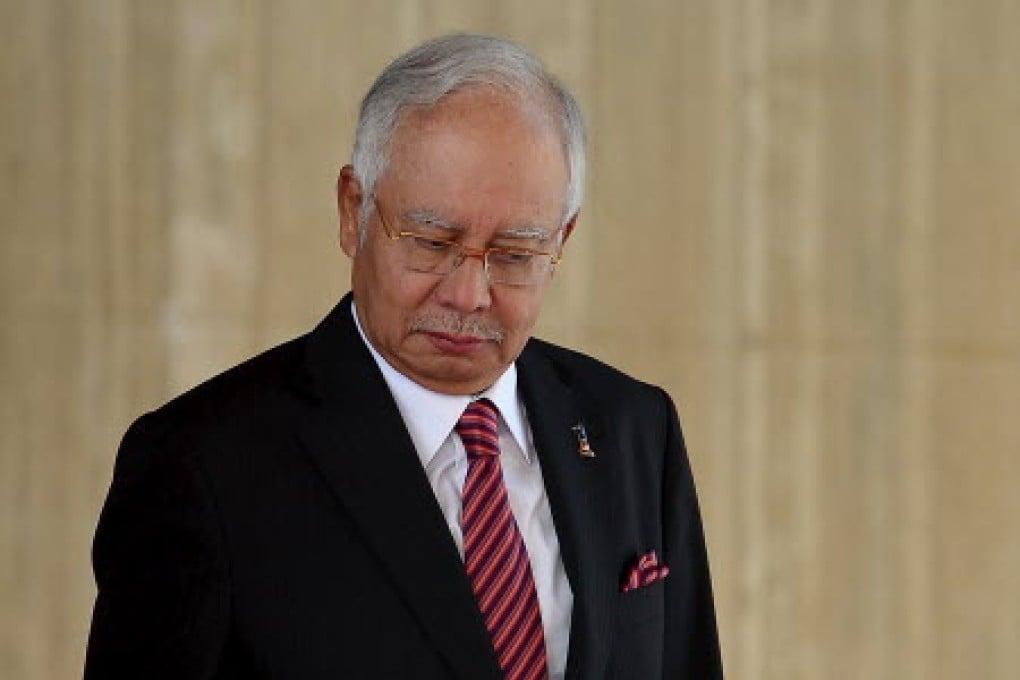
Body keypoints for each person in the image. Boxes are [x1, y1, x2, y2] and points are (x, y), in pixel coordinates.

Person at [85, 33, 722, 679]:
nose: (470, 295)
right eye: (432, 241)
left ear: (563, 238)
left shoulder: (634, 427)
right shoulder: (202, 465)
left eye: (515, 254)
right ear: (352, 211)